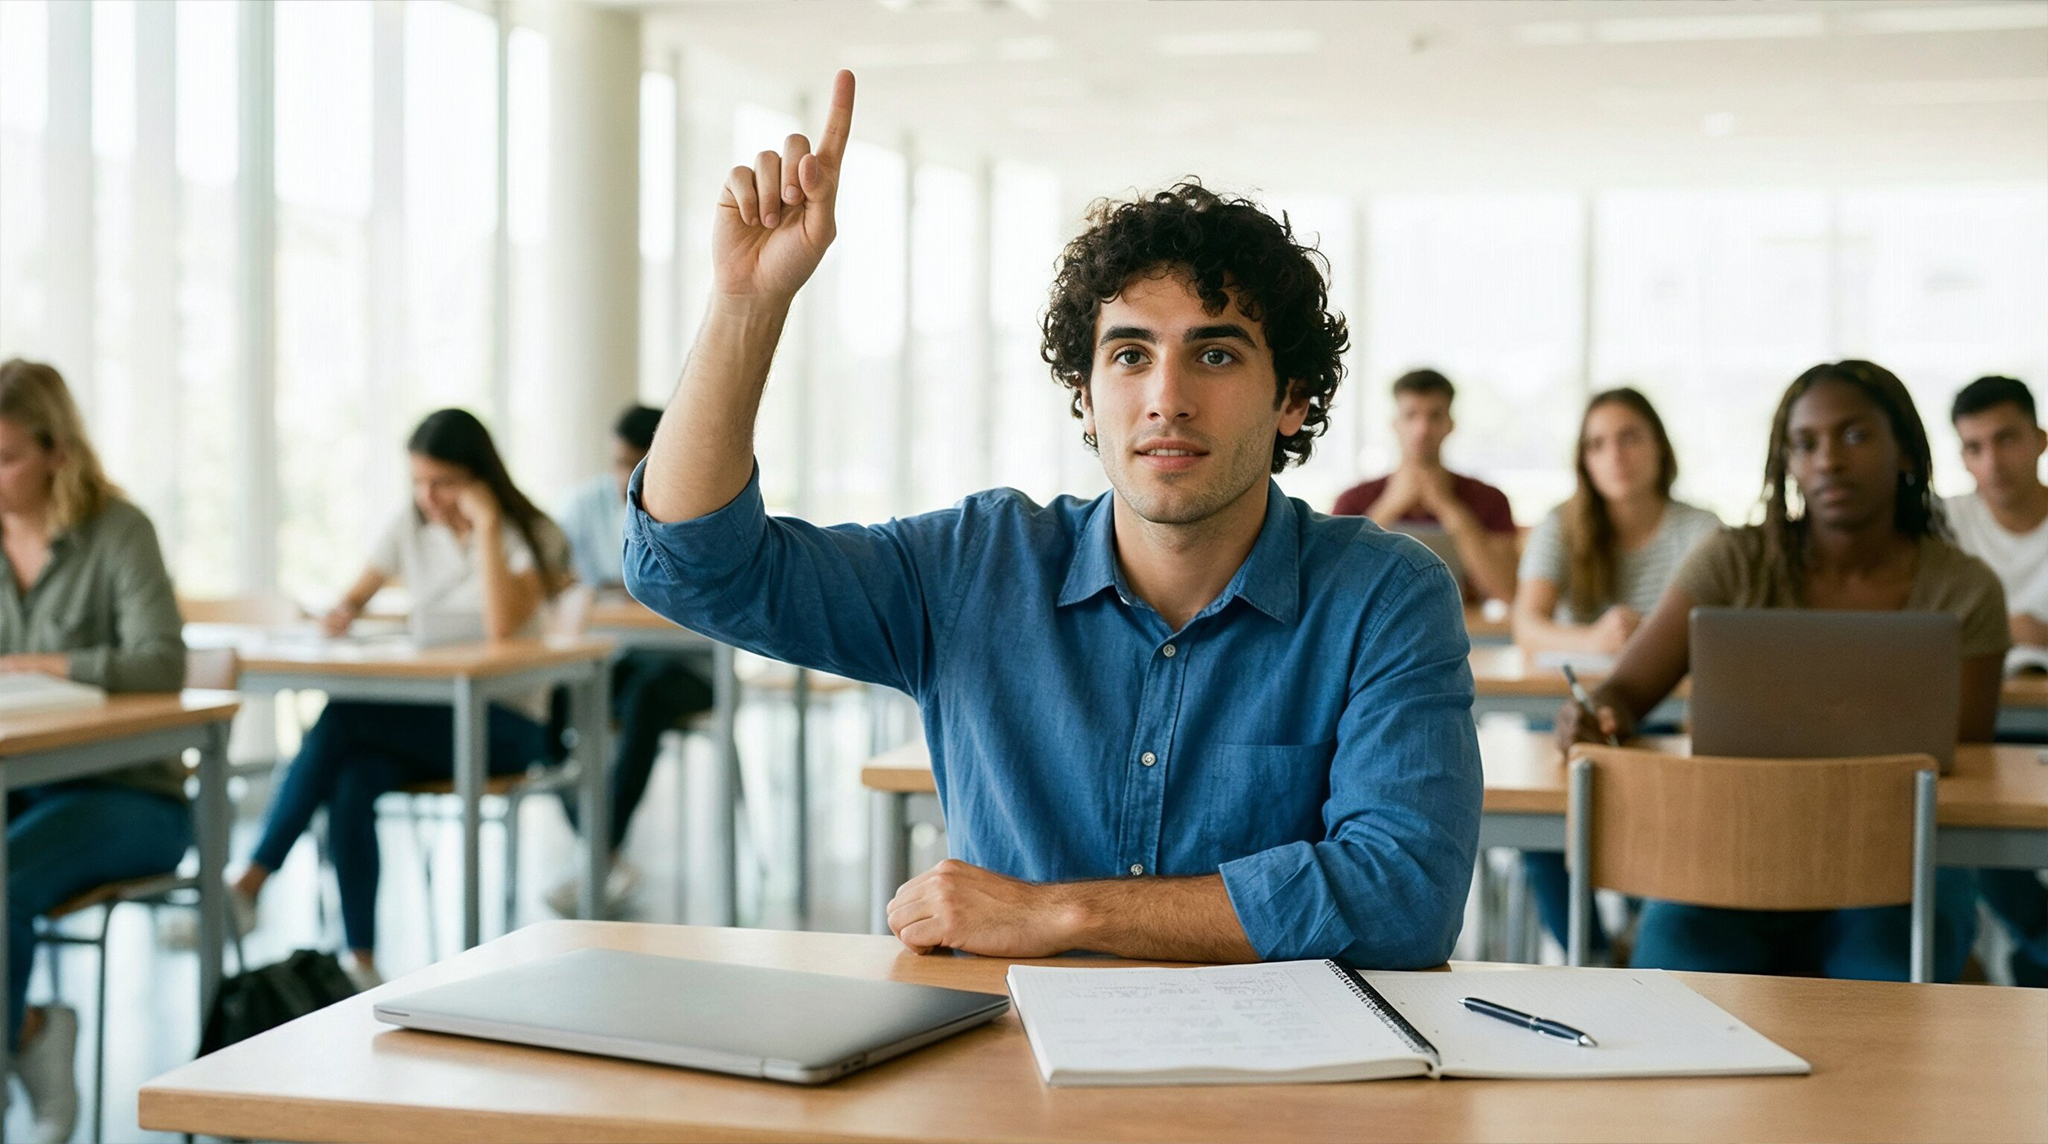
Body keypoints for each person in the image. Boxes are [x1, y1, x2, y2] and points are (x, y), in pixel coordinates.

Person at [626, 71, 1480, 966]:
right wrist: (745, 306)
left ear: (1292, 400)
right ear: (1085, 399)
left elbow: (1404, 897)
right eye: (1128, 355)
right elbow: (693, 568)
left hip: (1280, 1088)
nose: (1167, 399)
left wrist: (1063, 916)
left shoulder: (1384, 593)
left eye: (1216, 354)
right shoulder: (976, 566)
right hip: (1001, 1074)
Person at [1560, 360, 2007, 982]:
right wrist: (1597, 709)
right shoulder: (1734, 562)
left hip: (1893, 871)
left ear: (1904, 451)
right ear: (1787, 461)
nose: (1827, 460)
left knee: (1879, 1007)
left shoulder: (1964, 589)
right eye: (1805, 443)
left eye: (1854, 436)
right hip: (1728, 859)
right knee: (1670, 994)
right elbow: (1627, 690)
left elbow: (1967, 760)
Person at [232, 409, 569, 986]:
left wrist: (486, 526)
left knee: (340, 721)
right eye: (418, 481)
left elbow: (501, 626)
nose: (428, 496)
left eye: (442, 482)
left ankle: (251, 882)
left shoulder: (532, 533)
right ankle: (359, 960)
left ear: (479, 477)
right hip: (431, 721)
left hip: (508, 726)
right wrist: (341, 615)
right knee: (352, 777)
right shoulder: (409, 524)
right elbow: (354, 597)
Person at [0, 359, 190, 1143]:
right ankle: (31, 1031)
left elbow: (162, 662)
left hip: (131, 796)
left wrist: (46, 665)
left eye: (8, 457)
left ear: (57, 450)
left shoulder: (120, 530)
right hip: (25, 787)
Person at [1512, 387, 1720, 960]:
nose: (1616, 455)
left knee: (1681, 792)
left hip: (1669, 715)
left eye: (1630, 437)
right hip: (1582, 710)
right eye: (1597, 444)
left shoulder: (1701, 528)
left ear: (1659, 447)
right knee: (1542, 800)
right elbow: (1527, 625)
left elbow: (1723, 629)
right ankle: (1594, 953)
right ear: (1583, 459)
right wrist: (1593, 639)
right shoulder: (1562, 524)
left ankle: (1652, 927)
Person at [547, 404, 713, 915]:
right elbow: (557, 583)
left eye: (635, 462)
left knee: (647, 696)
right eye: (618, 462)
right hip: (617, 657)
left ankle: (598, 851)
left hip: (692, 667)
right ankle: (603, 845)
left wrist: (608, 591)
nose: (624, 476)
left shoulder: (701, 505)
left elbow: (706, 600)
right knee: (552, 695)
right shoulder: (582, 506)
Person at [1944, 374, 2048, 985]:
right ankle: (2037, 940)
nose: (1992, 461)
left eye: (2006, 439)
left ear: (2039, 439)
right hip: (1982, 714)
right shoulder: (1944, 522)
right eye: (1974, 447)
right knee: (1963, 808)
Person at [1331, 369, 1519, 603]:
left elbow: (1507, 592)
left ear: (1450, 424)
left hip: (1466, 632)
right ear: (1395, 424)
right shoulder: (1353, 501)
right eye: (1411, 415)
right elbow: (1334, 585)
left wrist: (1448, 507)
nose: (1422, 429)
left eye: (1434, 416)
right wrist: (1389, 508)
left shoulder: (1490, 500)